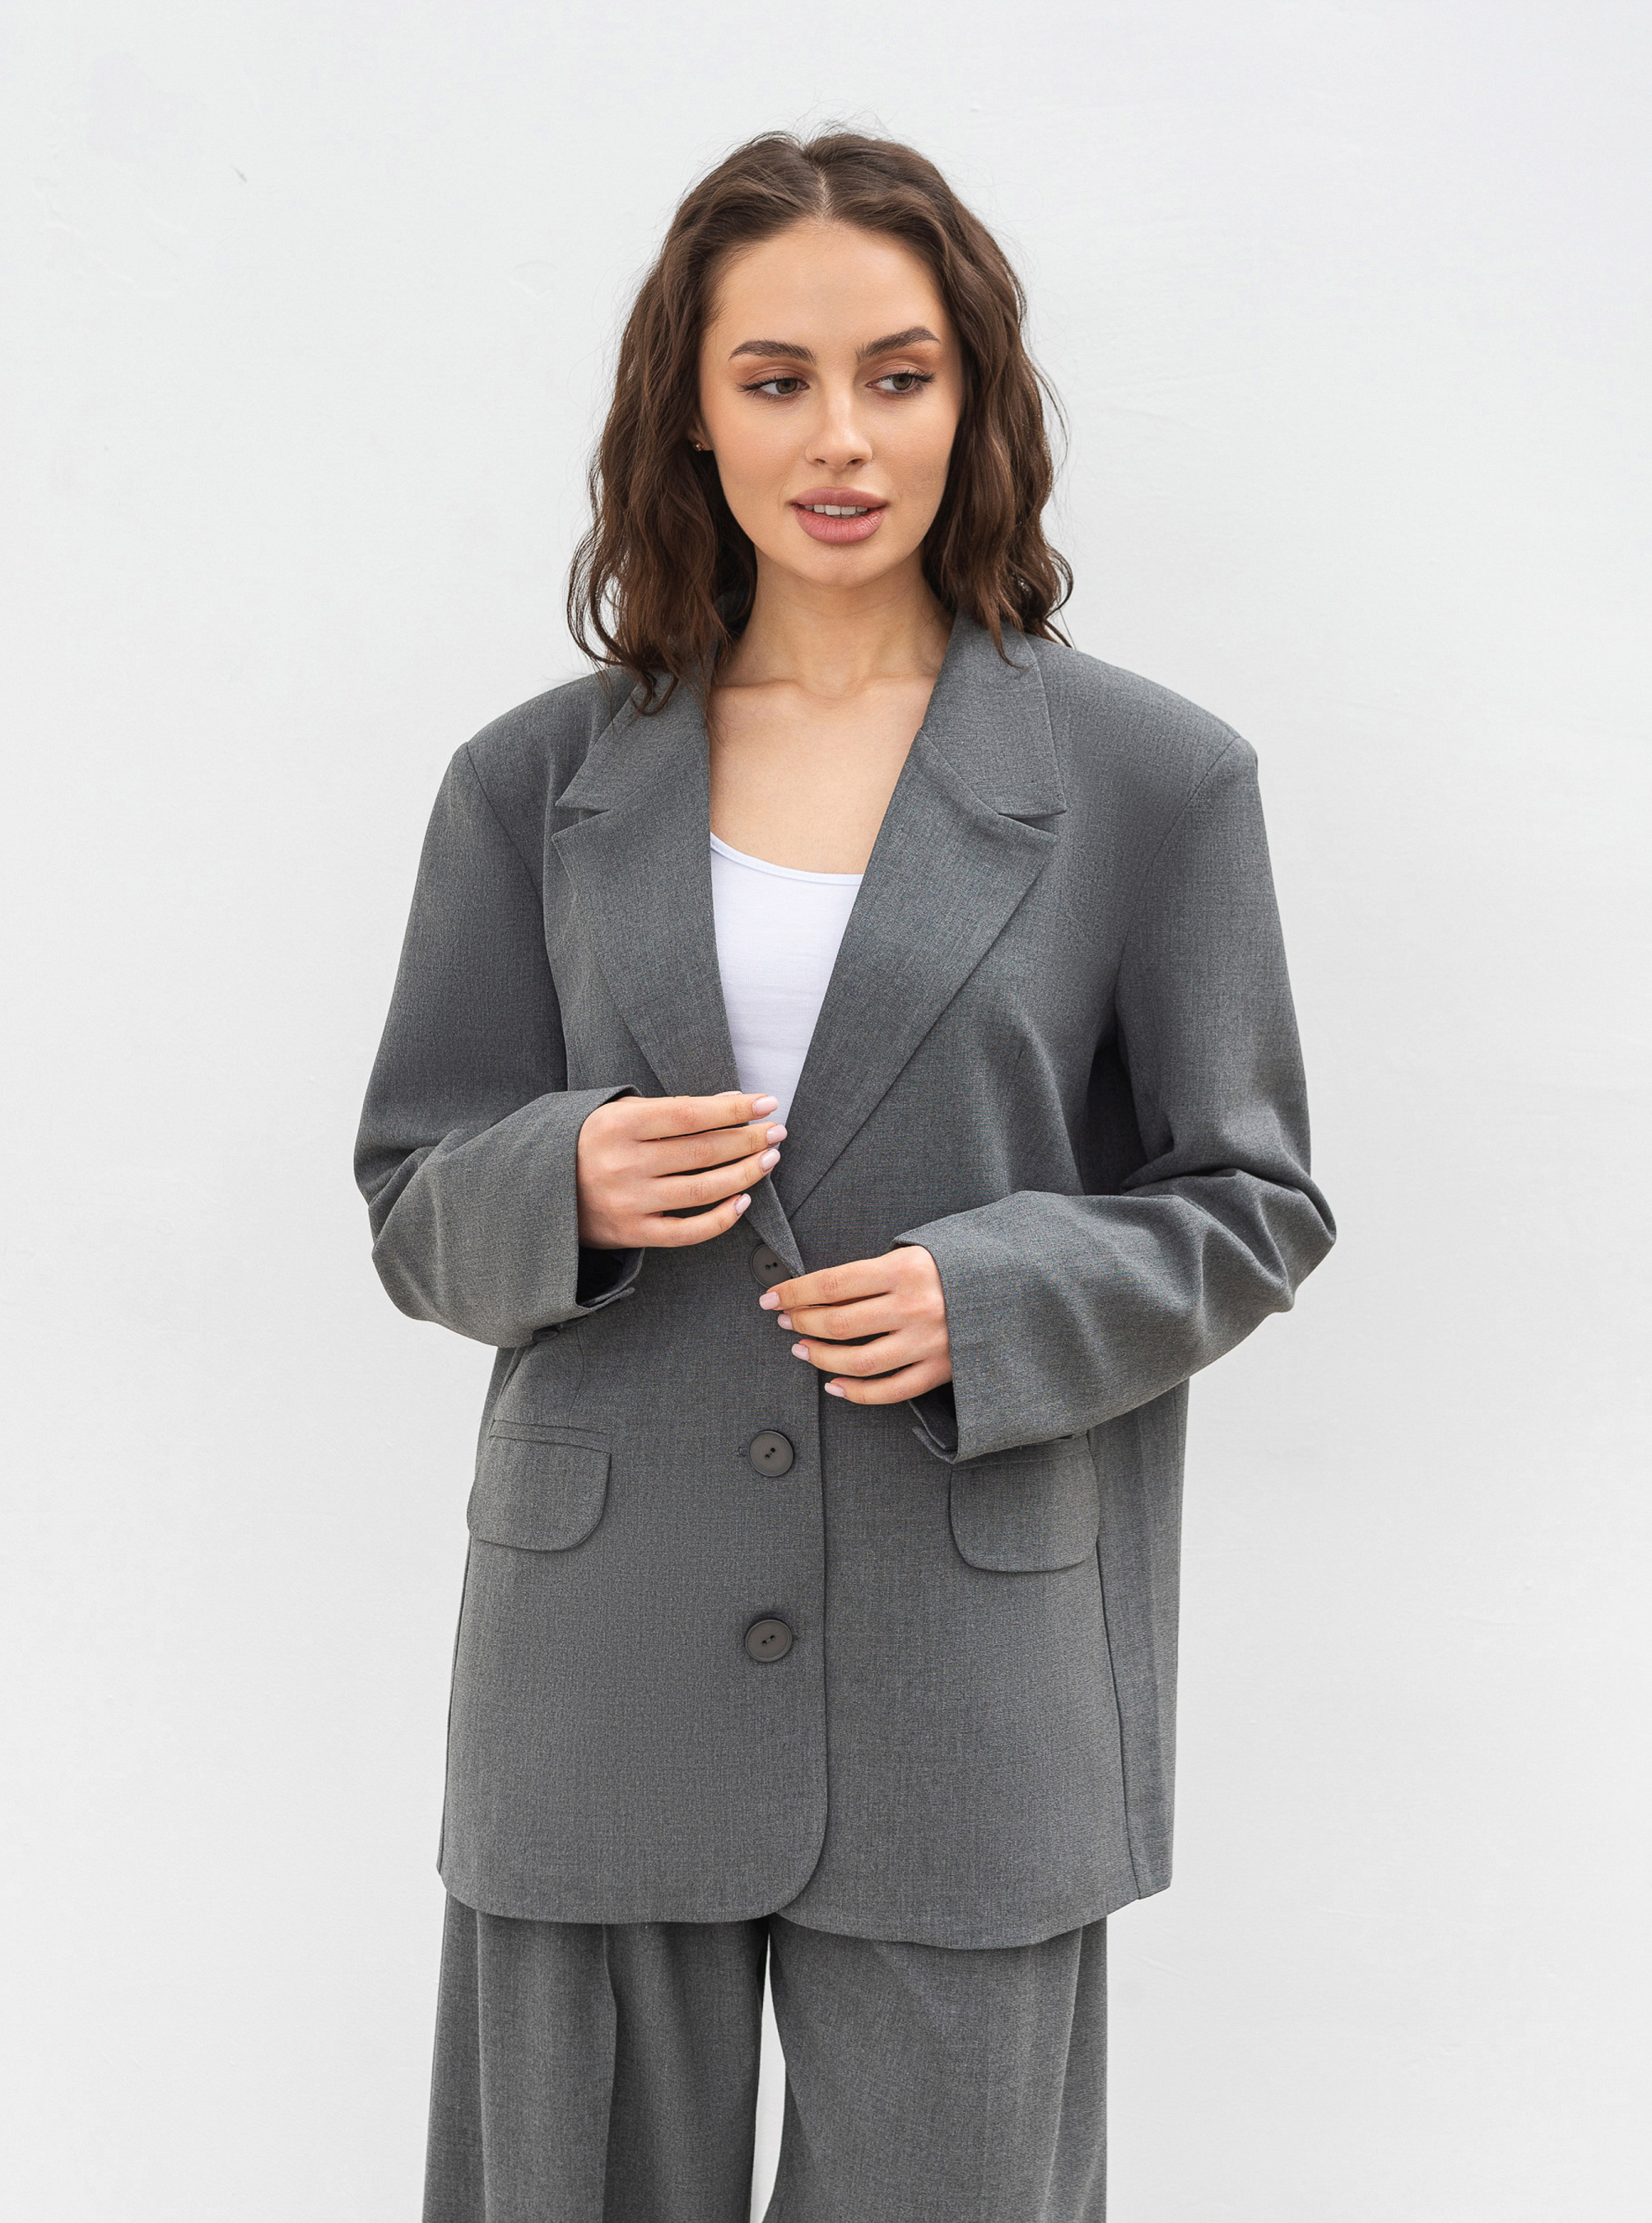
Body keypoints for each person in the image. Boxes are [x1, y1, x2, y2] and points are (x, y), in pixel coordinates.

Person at [355, 128, 1333, 2223]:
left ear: (970, 399)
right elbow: (411, 1196)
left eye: (896, 376)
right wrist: (563, 1179)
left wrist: (996, 1297)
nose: (839, 439)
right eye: (773, 379)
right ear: (687, 412)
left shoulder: (1152, 781)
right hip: (597, 1642)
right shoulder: (533, 782)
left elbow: (1250, 1201)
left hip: (967, 1663)